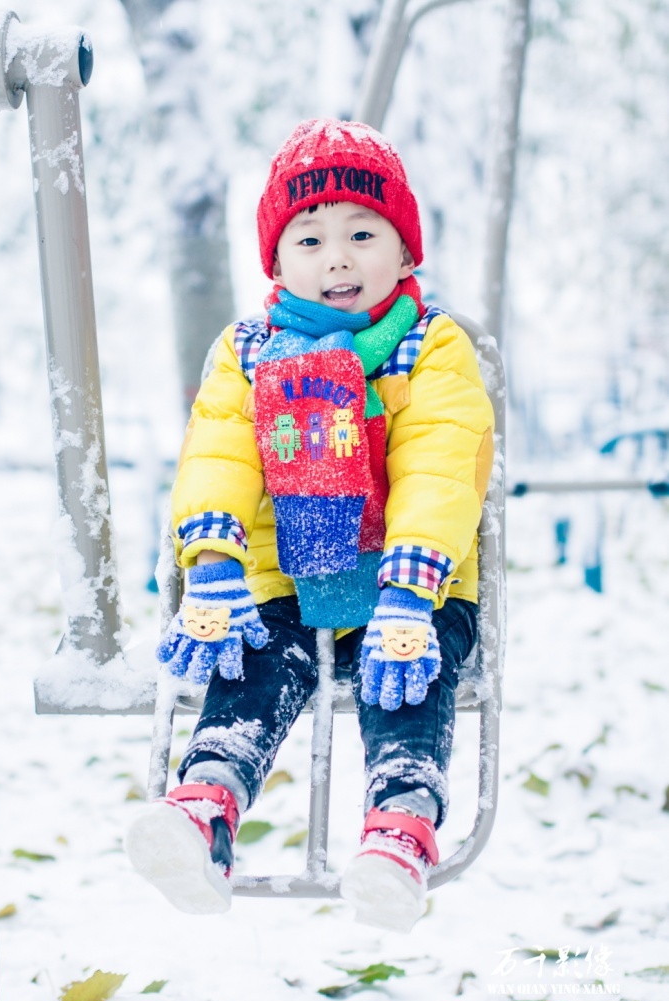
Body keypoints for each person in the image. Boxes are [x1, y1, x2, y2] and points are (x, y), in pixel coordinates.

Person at [125, 118, 494, 932]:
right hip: (288, 574)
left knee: (409, 673)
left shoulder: (431, 347)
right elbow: (219, 447)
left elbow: (442, 457)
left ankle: (400, 828)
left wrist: (413, 582)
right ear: (278, 259)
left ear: (404, 255)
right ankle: (207, 806)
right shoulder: (250, 350)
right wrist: (214, 559)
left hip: (412, 582)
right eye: (311, 237)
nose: (338, 257)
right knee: (254, 661)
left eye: (364, 234)